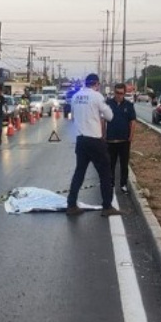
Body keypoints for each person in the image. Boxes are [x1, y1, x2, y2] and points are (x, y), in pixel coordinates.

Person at [66, 74, 122, 217]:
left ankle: (71, 205)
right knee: (105, 174)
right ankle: (107, 206)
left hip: (81, 140)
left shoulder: (76, 97)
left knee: (79, 173)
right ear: (96, 84)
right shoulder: (97, 96)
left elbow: (72, 116)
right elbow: (109, 117)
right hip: (95, 141)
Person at [106, 83, 136, 194]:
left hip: (124, 140)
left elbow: (132, 121)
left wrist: (131, 136)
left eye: (121, 93)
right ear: (114, 92)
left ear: (124, 93)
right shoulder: (108, 104)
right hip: (110, 140)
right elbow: (103, 120)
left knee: (124, 164)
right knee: (110, 164)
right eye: (117, 93)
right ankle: (111, 184)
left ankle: (123, 185)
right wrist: (103, 134)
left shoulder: (128, 105)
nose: (119, 95)